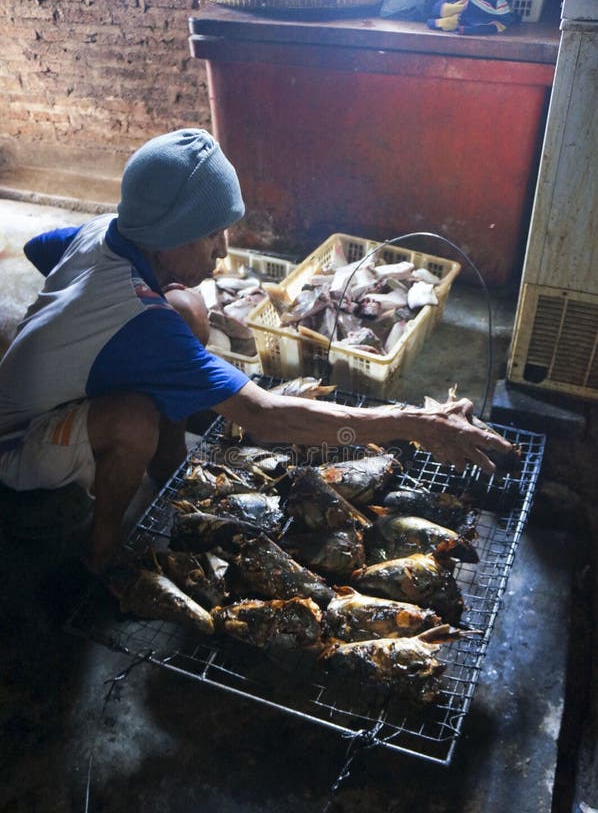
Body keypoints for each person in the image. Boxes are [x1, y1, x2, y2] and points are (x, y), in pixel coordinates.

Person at [0, 129, 512, 575]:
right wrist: (414, 423)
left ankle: (166, 464)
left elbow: (39, 248)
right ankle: (101, 550)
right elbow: (264, 416)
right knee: (135, 420)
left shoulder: (100, 231)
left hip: (58, 390)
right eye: (210, 236)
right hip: (15, 443)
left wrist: (69, 329)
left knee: (187, 305)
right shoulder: (140, 324)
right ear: (163, 239)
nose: (223, 251)